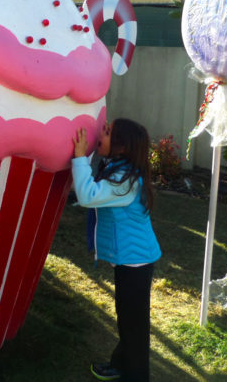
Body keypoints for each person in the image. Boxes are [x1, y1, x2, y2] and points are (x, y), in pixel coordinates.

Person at [71, 118, 161, 382]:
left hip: (136, 262)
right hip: (131, 260)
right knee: (128, 319)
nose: (102, 133)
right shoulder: (120, 169)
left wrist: (79, 159)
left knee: (134, 324)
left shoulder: (124, 180)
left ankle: (136, 376)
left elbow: (88, 196)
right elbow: (89, 189)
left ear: (121, 147)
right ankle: (121, 365)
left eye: (108, 133)